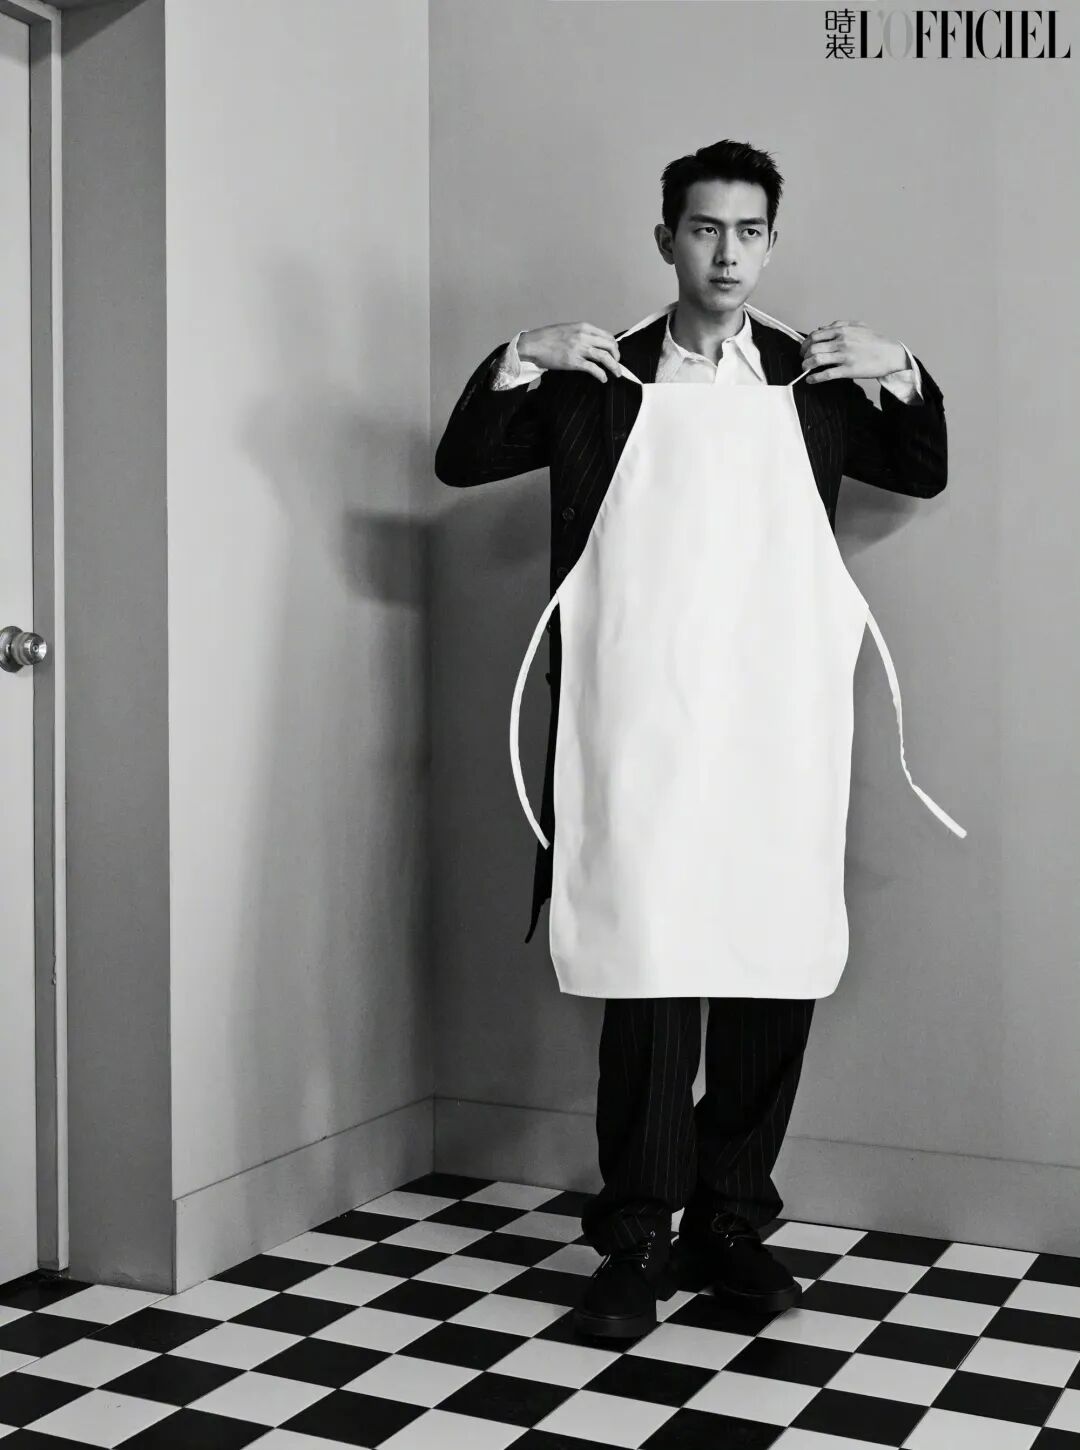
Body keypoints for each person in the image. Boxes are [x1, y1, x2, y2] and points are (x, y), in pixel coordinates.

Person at [434, 139, 950, 1341]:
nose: (728, 253)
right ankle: (637, 1236)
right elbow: (464, 459)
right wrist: (520, 357)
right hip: (641, 716)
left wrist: (903, 369)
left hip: (778, 719)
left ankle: (730, 1221)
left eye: (749, 231)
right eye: (706, 228)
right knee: (651, 969)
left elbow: (921, 469)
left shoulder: (813, 379)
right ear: (665, 237)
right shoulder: (599, 378)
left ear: (772, 242)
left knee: (771, 963)